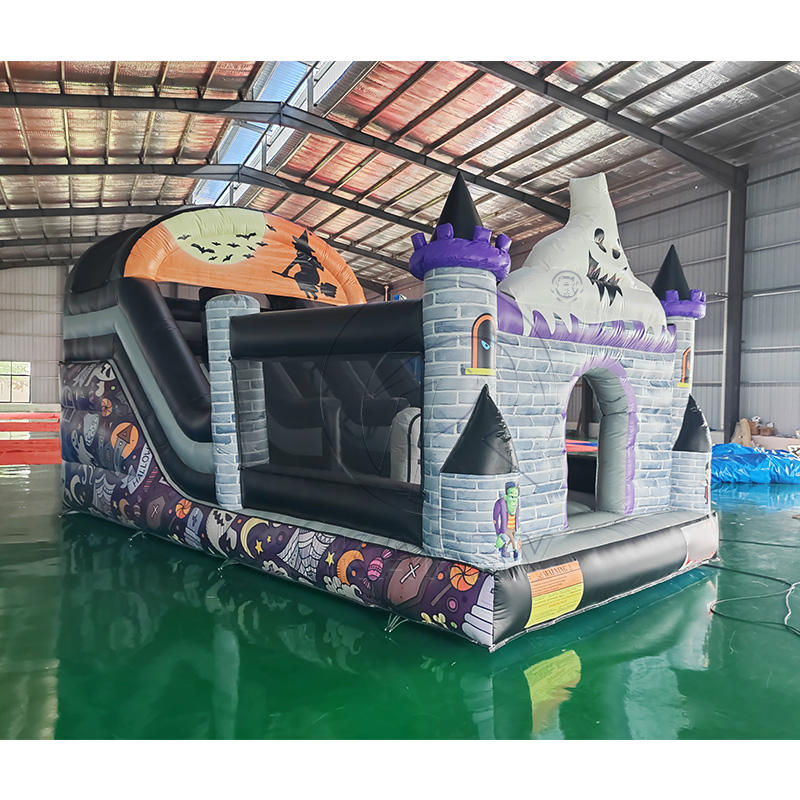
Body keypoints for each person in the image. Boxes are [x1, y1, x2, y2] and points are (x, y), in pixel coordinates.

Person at [493, 482, 521, 559]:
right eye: (511, 496)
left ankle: (505, 547)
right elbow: (495, 518)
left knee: (512, 539)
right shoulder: (500, 503)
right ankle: (514, 551)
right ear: (506, 496)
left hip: (513, 528)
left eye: (516, 497)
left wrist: (517, 527)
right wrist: (498, 532)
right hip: (505, 528)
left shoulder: (517, 502)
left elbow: (517, 516)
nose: (514, 500)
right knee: (512, 539)